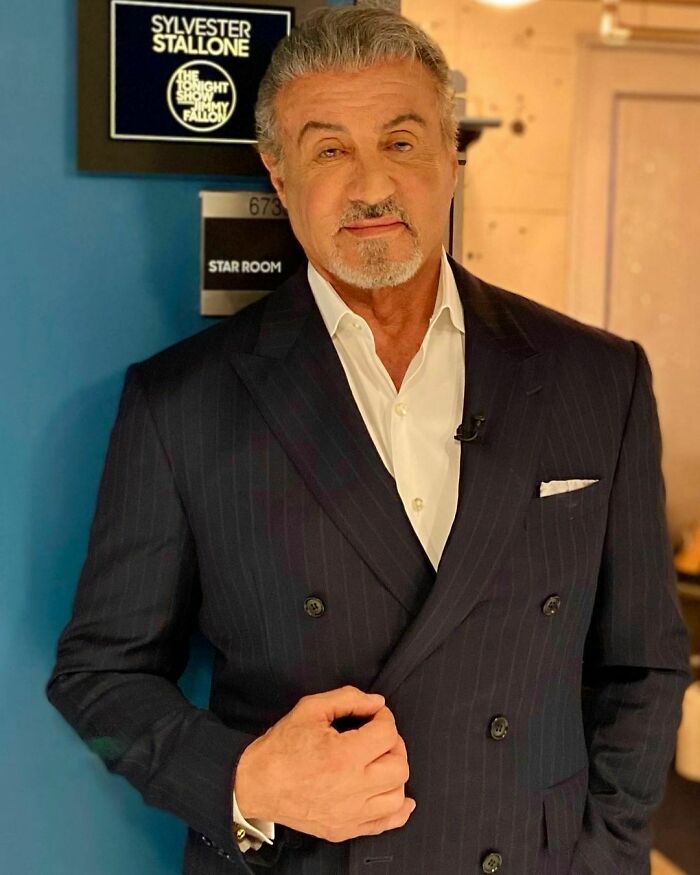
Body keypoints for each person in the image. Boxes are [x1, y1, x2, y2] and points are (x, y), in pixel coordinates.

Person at [47, 7, 691, 874]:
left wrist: (607, 858)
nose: (371, 187)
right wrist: (244, 781)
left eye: (399, 142)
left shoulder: (596, 379)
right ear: (277, 174)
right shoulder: (182, 401)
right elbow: (97, 679)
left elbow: (644, 666)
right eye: (328, 150)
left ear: (450, 155)